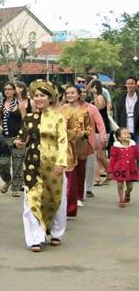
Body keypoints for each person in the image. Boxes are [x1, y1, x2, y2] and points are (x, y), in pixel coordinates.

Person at [14, 81, 68, 252]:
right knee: (31, 199)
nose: (38, 98)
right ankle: (35, 238)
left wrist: (61, 162)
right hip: (32, 165)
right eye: (36, 95)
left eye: (42, 95)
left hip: (54, 166)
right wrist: (19, 143)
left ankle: (55, 232)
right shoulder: (29, 119)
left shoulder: (58, 118)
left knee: (55, 199)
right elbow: (21, 139)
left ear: (50, 98)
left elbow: (63, 141)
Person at [60, 85, 91, 215]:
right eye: (68, 93)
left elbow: (89, 129)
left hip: (80, 143)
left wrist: (82, 134)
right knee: (68, 172)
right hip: (65, 144)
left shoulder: (84, 111)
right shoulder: (61, 110)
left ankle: (78, 196)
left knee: (80, 170)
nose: (70, 95)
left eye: (73, 93)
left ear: (79, 95)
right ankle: (67, 199)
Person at [0, 82, 27, 198]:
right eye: (5, 89)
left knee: (17, 164)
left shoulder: (20, 105)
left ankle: (15, 188)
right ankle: (7, 180)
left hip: (17, 137)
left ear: (14, 91)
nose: (7, 91)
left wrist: (23, 138)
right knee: (3, 163)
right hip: (4, 138)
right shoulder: (1, 104)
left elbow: (25, 122)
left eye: (10, 89)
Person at [108, 127, 139, 208]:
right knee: (120, 184)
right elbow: (112, 159)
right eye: (124, 134)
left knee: (130, 187)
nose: (127, 135)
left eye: (128, 133)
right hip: (119, 168)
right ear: (119, 138)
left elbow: (136, 156)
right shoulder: (115, 147)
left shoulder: (133, 146)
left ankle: (127, 193)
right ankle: (121, 200)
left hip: (131, 169)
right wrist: (110, 170)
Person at [89, 80, 111, 186]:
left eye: (90, 86)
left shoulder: (101, 97)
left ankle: (109, 172)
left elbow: (98, 108)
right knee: (98, 154)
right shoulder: (93, 98)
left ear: (95, 87)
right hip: (95, 128)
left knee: (100, 153)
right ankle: (98, 177)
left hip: (102, 128)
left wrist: (94, 94)